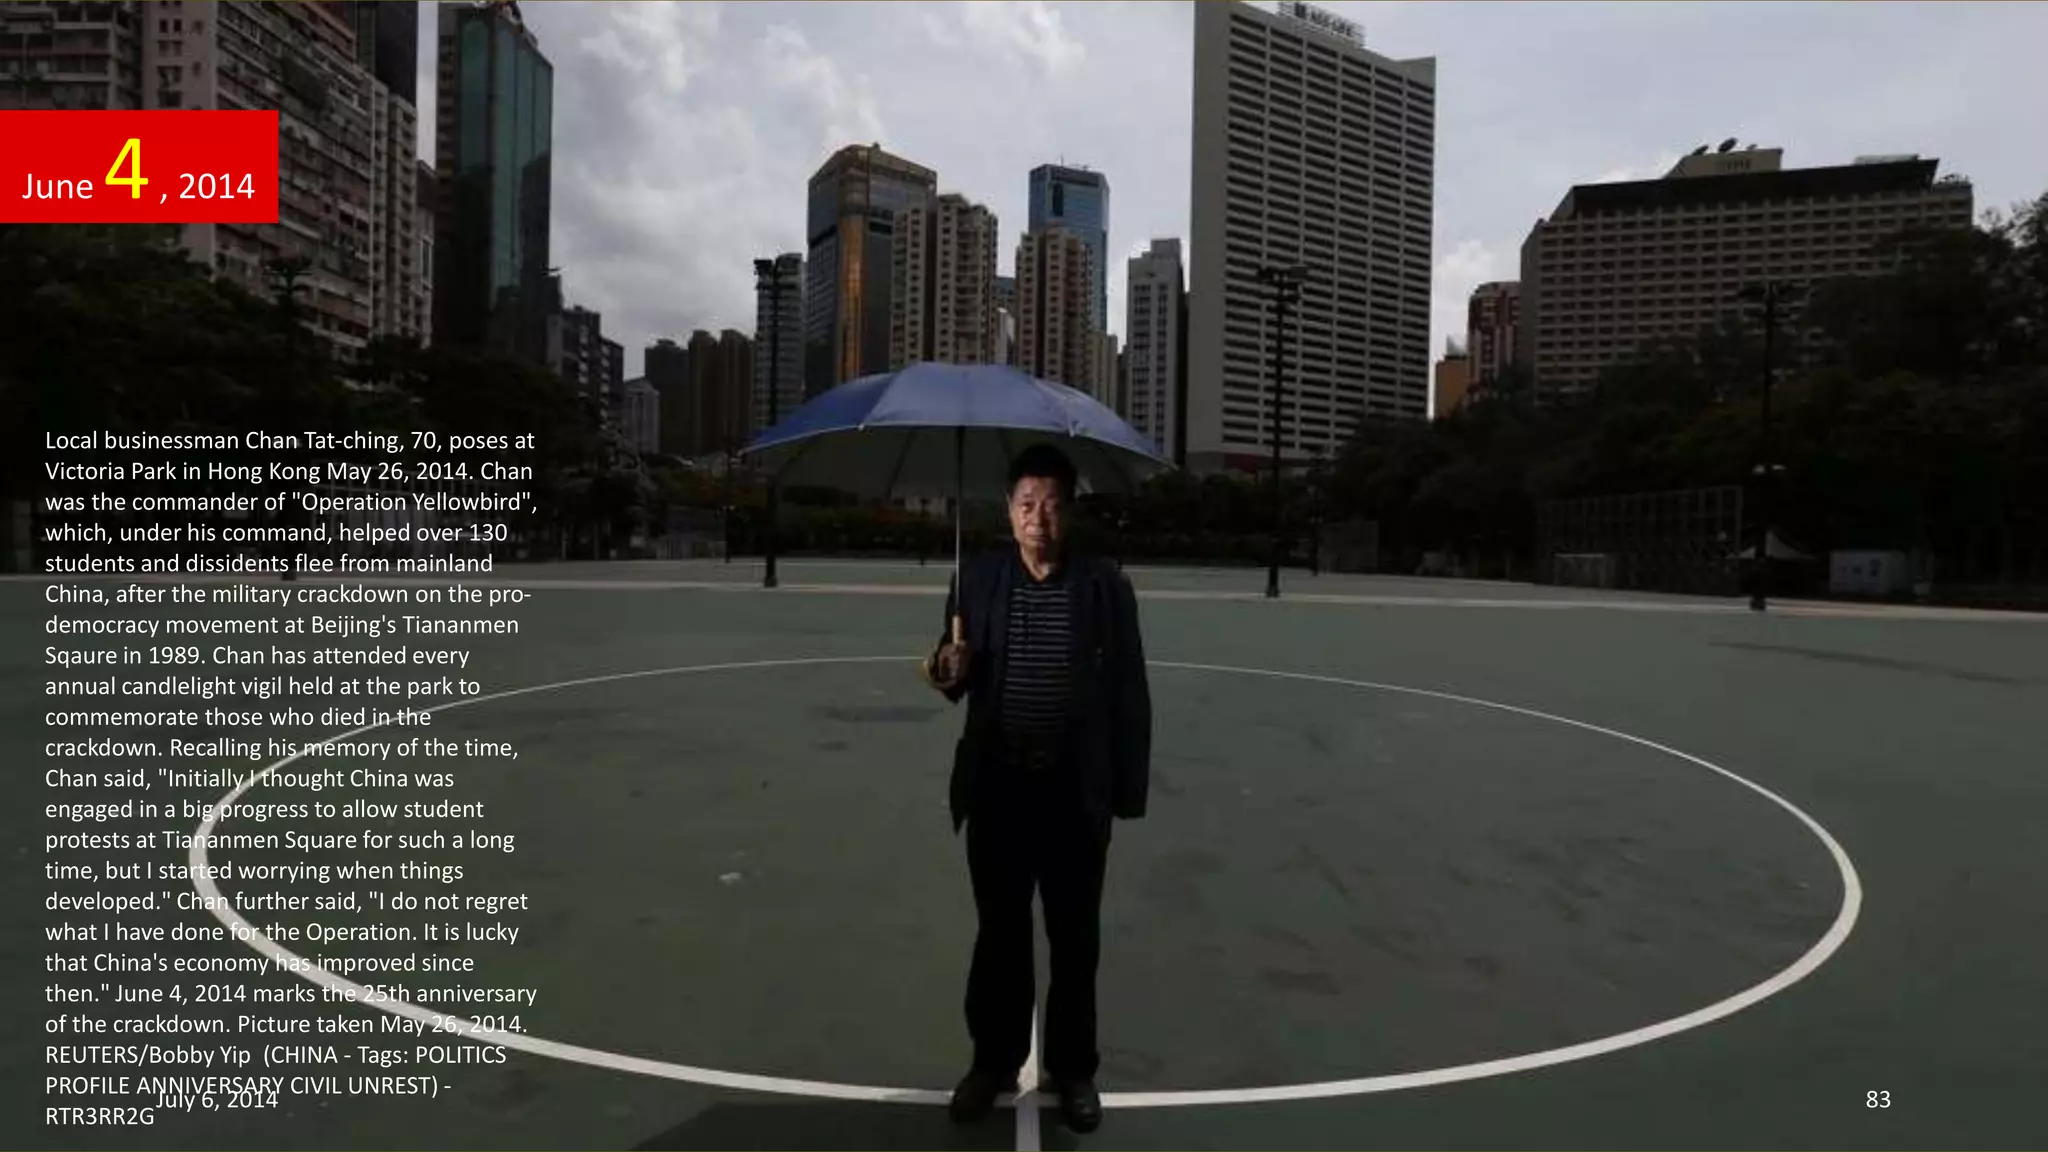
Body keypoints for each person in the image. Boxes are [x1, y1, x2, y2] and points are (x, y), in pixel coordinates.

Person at [924, 444, 1152, 1135]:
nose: (1039, 518)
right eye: (1027, 504)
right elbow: (949, 678)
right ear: (1008, 510)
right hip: (998, 789)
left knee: (1074, 937)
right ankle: (991, 1062)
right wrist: (948, 664)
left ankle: (1074, 1069)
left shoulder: (1105, 586)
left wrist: (1125, 793)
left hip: (1073, 793)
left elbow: (1130, 692)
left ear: (1070, 510)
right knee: (999, 935)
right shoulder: (978, 579)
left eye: (1052, 504)